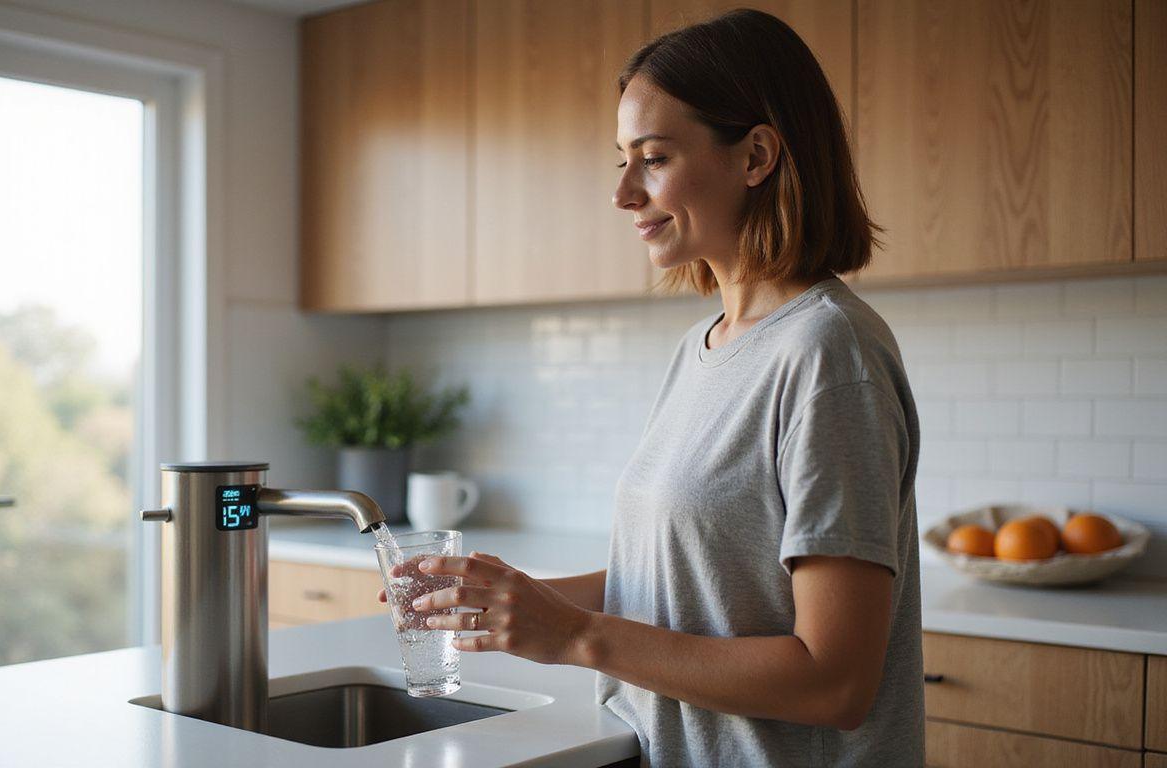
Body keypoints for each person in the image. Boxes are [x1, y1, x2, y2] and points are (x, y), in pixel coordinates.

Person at [381, 9, 923, 766]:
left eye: (655, 157)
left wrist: (575, 636)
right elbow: (684, 584)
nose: (624, 193)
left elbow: (834, 682)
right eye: (621, 160)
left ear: (757, 155)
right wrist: (505, 598)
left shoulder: (828, 354)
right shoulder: (702, 349)